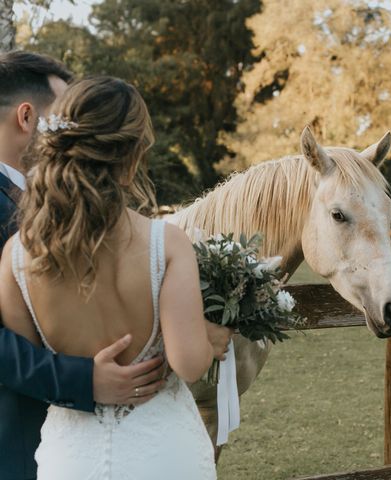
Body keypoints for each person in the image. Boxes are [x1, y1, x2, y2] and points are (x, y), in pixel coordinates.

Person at [0, 75, 231, 478]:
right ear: (131, 155)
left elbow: (29, 358)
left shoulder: (16, 256)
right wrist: (212, 337)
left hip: (71, 459)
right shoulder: (167, 244)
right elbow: (189, 363)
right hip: (164, 452)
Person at [0, 51, 166, 480]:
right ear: (26, 117)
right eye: (63, 114)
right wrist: (83, 380)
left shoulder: (62, 204)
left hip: (91, 443)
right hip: (15, 439)